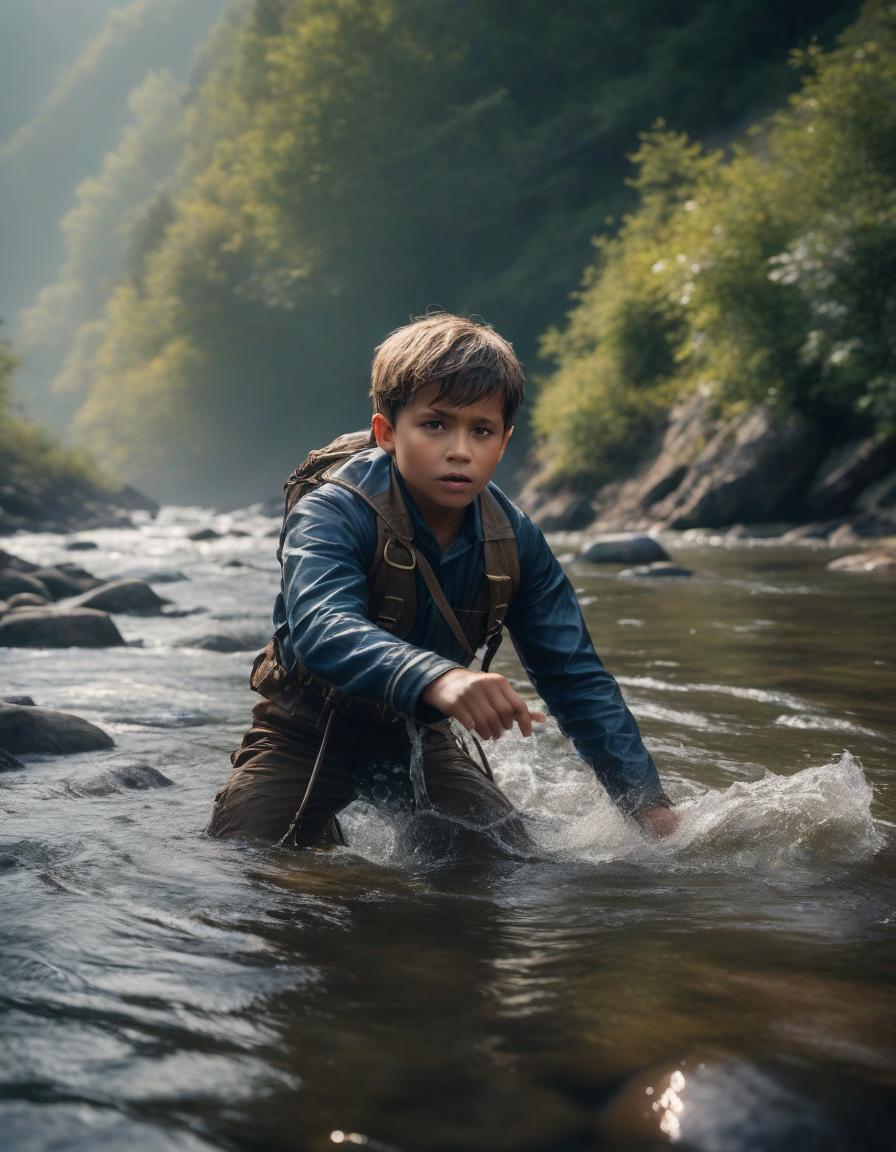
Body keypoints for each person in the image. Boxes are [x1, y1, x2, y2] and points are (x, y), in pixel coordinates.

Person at [207, 313, 679, 854]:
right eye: (435, 425)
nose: (460, 450)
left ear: (504, 441)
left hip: (414, 736)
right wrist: (440, 679)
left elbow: (576, 679)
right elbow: (321, 626)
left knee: (505, 868)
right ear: (387, 433)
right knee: (247, 868)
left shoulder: (517, 540)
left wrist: (647, 804)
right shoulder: (332, 512)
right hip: (304, 728)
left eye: (482, 430)